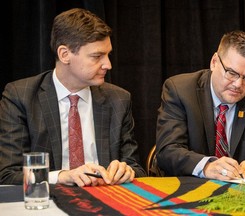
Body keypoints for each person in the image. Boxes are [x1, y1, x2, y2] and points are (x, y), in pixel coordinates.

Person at [0, 8, 146, 187]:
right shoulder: (21, 96)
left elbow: (136, 168)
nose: (108, 64)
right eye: (97, 56)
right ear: (64, 54)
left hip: (105, 203)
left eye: (108, 55)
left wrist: (126, 171)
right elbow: (8, 175)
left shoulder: (119, 99)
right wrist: (62, 176)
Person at [156, 30, 245, 180]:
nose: (238, 84)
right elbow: (168, 151)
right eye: (231, 73)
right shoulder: (180, 90)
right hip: (190, 190)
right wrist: (206, 166)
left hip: (240, 194)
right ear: (214, 62)